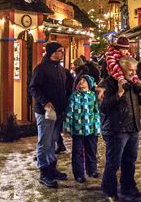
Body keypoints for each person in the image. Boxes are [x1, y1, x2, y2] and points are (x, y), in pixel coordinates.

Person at [99, 56, 141, 200]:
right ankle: (109, 191)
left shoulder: (133, 82)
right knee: (114, 162)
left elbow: (140, 103)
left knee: (130, 160)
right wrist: (119, 93)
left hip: (133, 126)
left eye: (134, 70)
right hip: (117, 129)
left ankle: (128, 188)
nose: (133, 73)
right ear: (122, 69)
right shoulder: (108, 83)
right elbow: (104, 107)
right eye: (130, 70)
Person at [29, 42, 69, 188]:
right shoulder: (41, 69)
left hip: (58, 111)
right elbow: (33, 88)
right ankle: (44, 172)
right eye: (60, 51)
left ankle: (52, 168)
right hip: (45, 112)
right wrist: (45, 102)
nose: (62, 53)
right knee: (44, 142)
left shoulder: (59, 68)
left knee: (52, 140)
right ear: (51, 52)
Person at [65, 74, 101, 183]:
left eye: (84, 80)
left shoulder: (93, 96)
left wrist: (97, 127)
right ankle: (79, 174)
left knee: (91, 150)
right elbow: (69, 113)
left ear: (89, 84)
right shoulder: (74, 96)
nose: (81, 82)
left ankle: (92, 170)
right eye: (80, 80)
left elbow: (96, 112)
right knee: (77, 152)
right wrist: (67, 127)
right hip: (78, 129)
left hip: (91, 129)